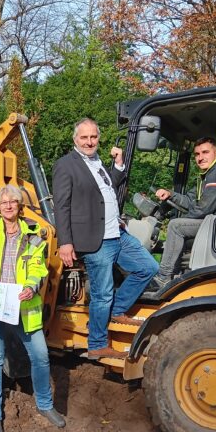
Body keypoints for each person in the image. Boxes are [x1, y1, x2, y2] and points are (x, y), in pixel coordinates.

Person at [52, 118, 158, 360]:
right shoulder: (66, 165)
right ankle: (97, 344)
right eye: (84, 138)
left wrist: (118, 166)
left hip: (117, 232)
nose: (90, 142)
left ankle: (118, 310)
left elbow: (104, 189)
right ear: (75, 139)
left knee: (148, 267)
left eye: (94, 137)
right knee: (102, 294)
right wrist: (65, 243)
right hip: (95, 239)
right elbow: (61, 206)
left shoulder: (98, 162)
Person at [0, 185, 66, 432]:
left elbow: (39, 267)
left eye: (13, 201)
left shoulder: (33, 235)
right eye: (4, 202)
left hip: (25, 307)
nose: (9, 205)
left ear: (20, 206)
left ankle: (45, 405)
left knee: (41, 356)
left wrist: (32, 286)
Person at [149, 137, 216, 289]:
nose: (200, 158)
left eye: (205, 152)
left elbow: (203, 209)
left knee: (176, 226)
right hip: (210, 222)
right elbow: (190, 200)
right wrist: (170, 194)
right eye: (197, 154)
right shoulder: (205, 176)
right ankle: (175, 272)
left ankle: (163, 277)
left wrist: (183, 218)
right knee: (178, 224)